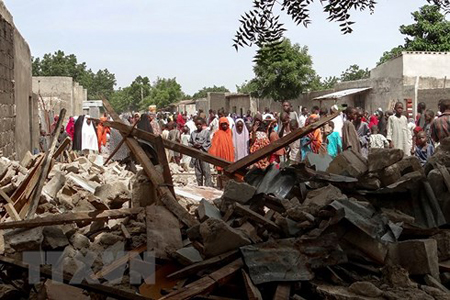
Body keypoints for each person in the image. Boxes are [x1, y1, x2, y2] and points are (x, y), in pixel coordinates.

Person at [189, 118, 212, 187]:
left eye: (200, 124)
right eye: (197, 124)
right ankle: (200, 186)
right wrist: (194, 145)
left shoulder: (206, 132)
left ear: (202, 124)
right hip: (196, 155)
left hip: (203, 154)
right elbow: (190, 143)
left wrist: (202, 145)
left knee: (206, 171)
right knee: (198, 172)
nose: (198, 126)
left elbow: (209, 143)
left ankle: (208, 187)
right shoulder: (193, 133)